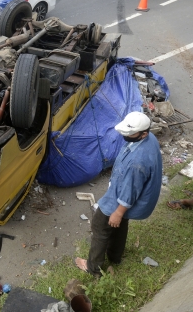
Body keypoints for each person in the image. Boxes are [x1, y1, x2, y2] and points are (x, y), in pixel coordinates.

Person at [74, 111, 162, 278]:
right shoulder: (149, 139)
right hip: (126, 191)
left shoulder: (137, 163)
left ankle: (93, 268)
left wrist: (118, 212)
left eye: (130, 133)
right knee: (119, 225)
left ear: (143, 134)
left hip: (121, 198)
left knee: (100, 226)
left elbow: (130, 191)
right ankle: (115, 257)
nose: (125, 135)